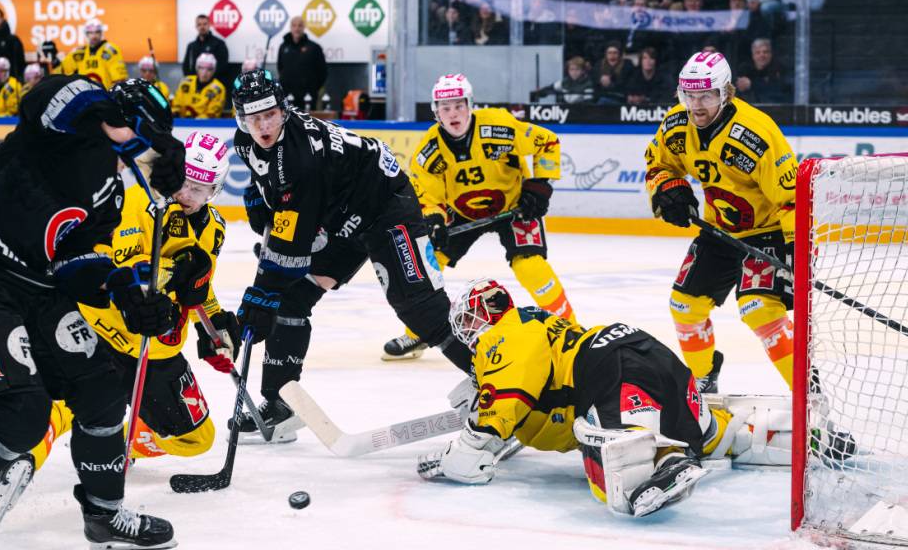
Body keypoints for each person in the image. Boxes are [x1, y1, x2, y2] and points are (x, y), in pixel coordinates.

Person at [0, 76, 186, 549]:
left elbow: (78, 262)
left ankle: (104, 514)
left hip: (38, 288)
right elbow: (47, 95)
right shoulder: (59, 129)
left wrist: (127, 295)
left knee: (101, 392)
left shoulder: (112, 191)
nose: (145, 156)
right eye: (144, 142)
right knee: (22, 415)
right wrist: (121, 119)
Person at [0, 129, 239, 524]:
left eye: (203, 188)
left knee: (198, 440)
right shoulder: (141, 204)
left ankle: (131, 436)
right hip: (107, 329)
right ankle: (25, 454)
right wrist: (173, 272)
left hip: (158, 347)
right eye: (187, 183)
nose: (191, 195)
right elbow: (117, 271)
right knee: (71, 405)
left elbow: (199, 288)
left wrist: (217, 325)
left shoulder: (215, 228)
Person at [229, 69, 474, 443]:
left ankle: (493, 382)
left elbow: (292, 249)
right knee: (291, 301)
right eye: (253, 118)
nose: (263, 126)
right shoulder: (246, 142)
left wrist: (260, 296)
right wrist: (261, 200)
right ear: (240, 118)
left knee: (419, 308)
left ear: (284, 110)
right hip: (339, 212)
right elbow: (272, 186)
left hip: (384, 205)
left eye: (270, 115)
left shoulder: (302, 158)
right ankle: (280, 404)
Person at [417, 278, 795, 517]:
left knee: (613, 467)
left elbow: (507, 393)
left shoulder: (505, 333)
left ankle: (667, 460)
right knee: (709, 432)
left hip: (606, 367)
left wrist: (470, 445)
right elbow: (552, 419)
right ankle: (784, 434)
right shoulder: (537, 323)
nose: (467, 332)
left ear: (481, 315)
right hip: (640, 350)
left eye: (467, 321)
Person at [382, 73, 578, 361]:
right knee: (429, 263)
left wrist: (540, 185)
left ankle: (570, 331)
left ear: (470, 105)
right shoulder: (428, 151)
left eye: (459, 106)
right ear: (436, 112)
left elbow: (546, 142)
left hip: (514, 205)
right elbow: (429, 196)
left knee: (530, 265)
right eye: (445, 108)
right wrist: (434, 220)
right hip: (461, 214)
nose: (453, 114)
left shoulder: (499, 125)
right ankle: (417, 332)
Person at [644, 51, 796, 393]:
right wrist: (669, 189)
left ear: (726, 92)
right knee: (684, 306)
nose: (696, 105)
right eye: (689, 95)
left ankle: (810, 398)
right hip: (720, 232)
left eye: (706, 95)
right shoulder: (675, 125)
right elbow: (658, 164)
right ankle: (703, 379)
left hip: (769, 232)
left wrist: (796, 248)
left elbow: (792, 198)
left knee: (760, 311)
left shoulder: (756, 133)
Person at [59, 19, 128, 89]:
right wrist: (58, 61)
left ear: (101, 33)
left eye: (97, 32)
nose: (94, 36)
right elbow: (64, 71)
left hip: (105, 95)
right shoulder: (79, 52)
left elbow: (119, 79)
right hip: (85, 95)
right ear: (86, 34)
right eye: (90, 33)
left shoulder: (110, 51)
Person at [277, 16, 327, 110]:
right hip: (288, 96)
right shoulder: (283, 47)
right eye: (294, 25)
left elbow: (323, 72)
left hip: (308, 97)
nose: (297, 28)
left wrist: (312, 88)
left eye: (300, 25)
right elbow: (280, 68)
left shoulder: (314, 48)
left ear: (304, 28)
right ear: (290, 27)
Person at [735, 38, 792, 104]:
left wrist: (752, 85)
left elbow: (779, 91)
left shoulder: (780, 70)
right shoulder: (744, 70)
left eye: (765, 52)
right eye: (757, 52)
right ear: (753, 55)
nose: (762, 55)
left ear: (771, 54)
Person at [182, 14, 231, 88]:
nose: (202, 27)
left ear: (209, 25)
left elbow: (222, 65)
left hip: (213, 86)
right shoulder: (191, 46)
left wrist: (207, 79)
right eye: (199, 24)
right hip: (194, 86)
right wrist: (192, 81)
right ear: (196, 26)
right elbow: (186, 66)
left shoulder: (219, 44)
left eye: (205, 24)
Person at [171, 53, 226, 119]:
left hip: (204, 125)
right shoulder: (186, 82)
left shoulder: (218, 88)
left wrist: (195, 121)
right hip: (182, 122)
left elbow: (212, 114)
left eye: (209, 69)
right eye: (201, 68)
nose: (204, 72)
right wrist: (176, 114)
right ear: (197, 68)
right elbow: (177, 104)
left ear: (214, 70)